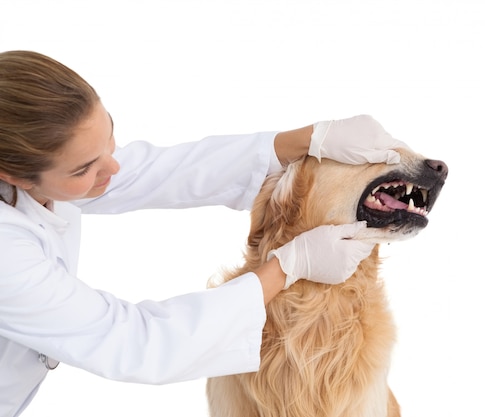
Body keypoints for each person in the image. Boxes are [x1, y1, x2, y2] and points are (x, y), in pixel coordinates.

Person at [0, 50, 406, 417]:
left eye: (109, 135)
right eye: (84, 168)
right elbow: (134, 341)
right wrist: (287, 266)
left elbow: (147, 173)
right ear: (12, 175)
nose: (114, 168)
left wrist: (301, 140)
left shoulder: (48, 165)